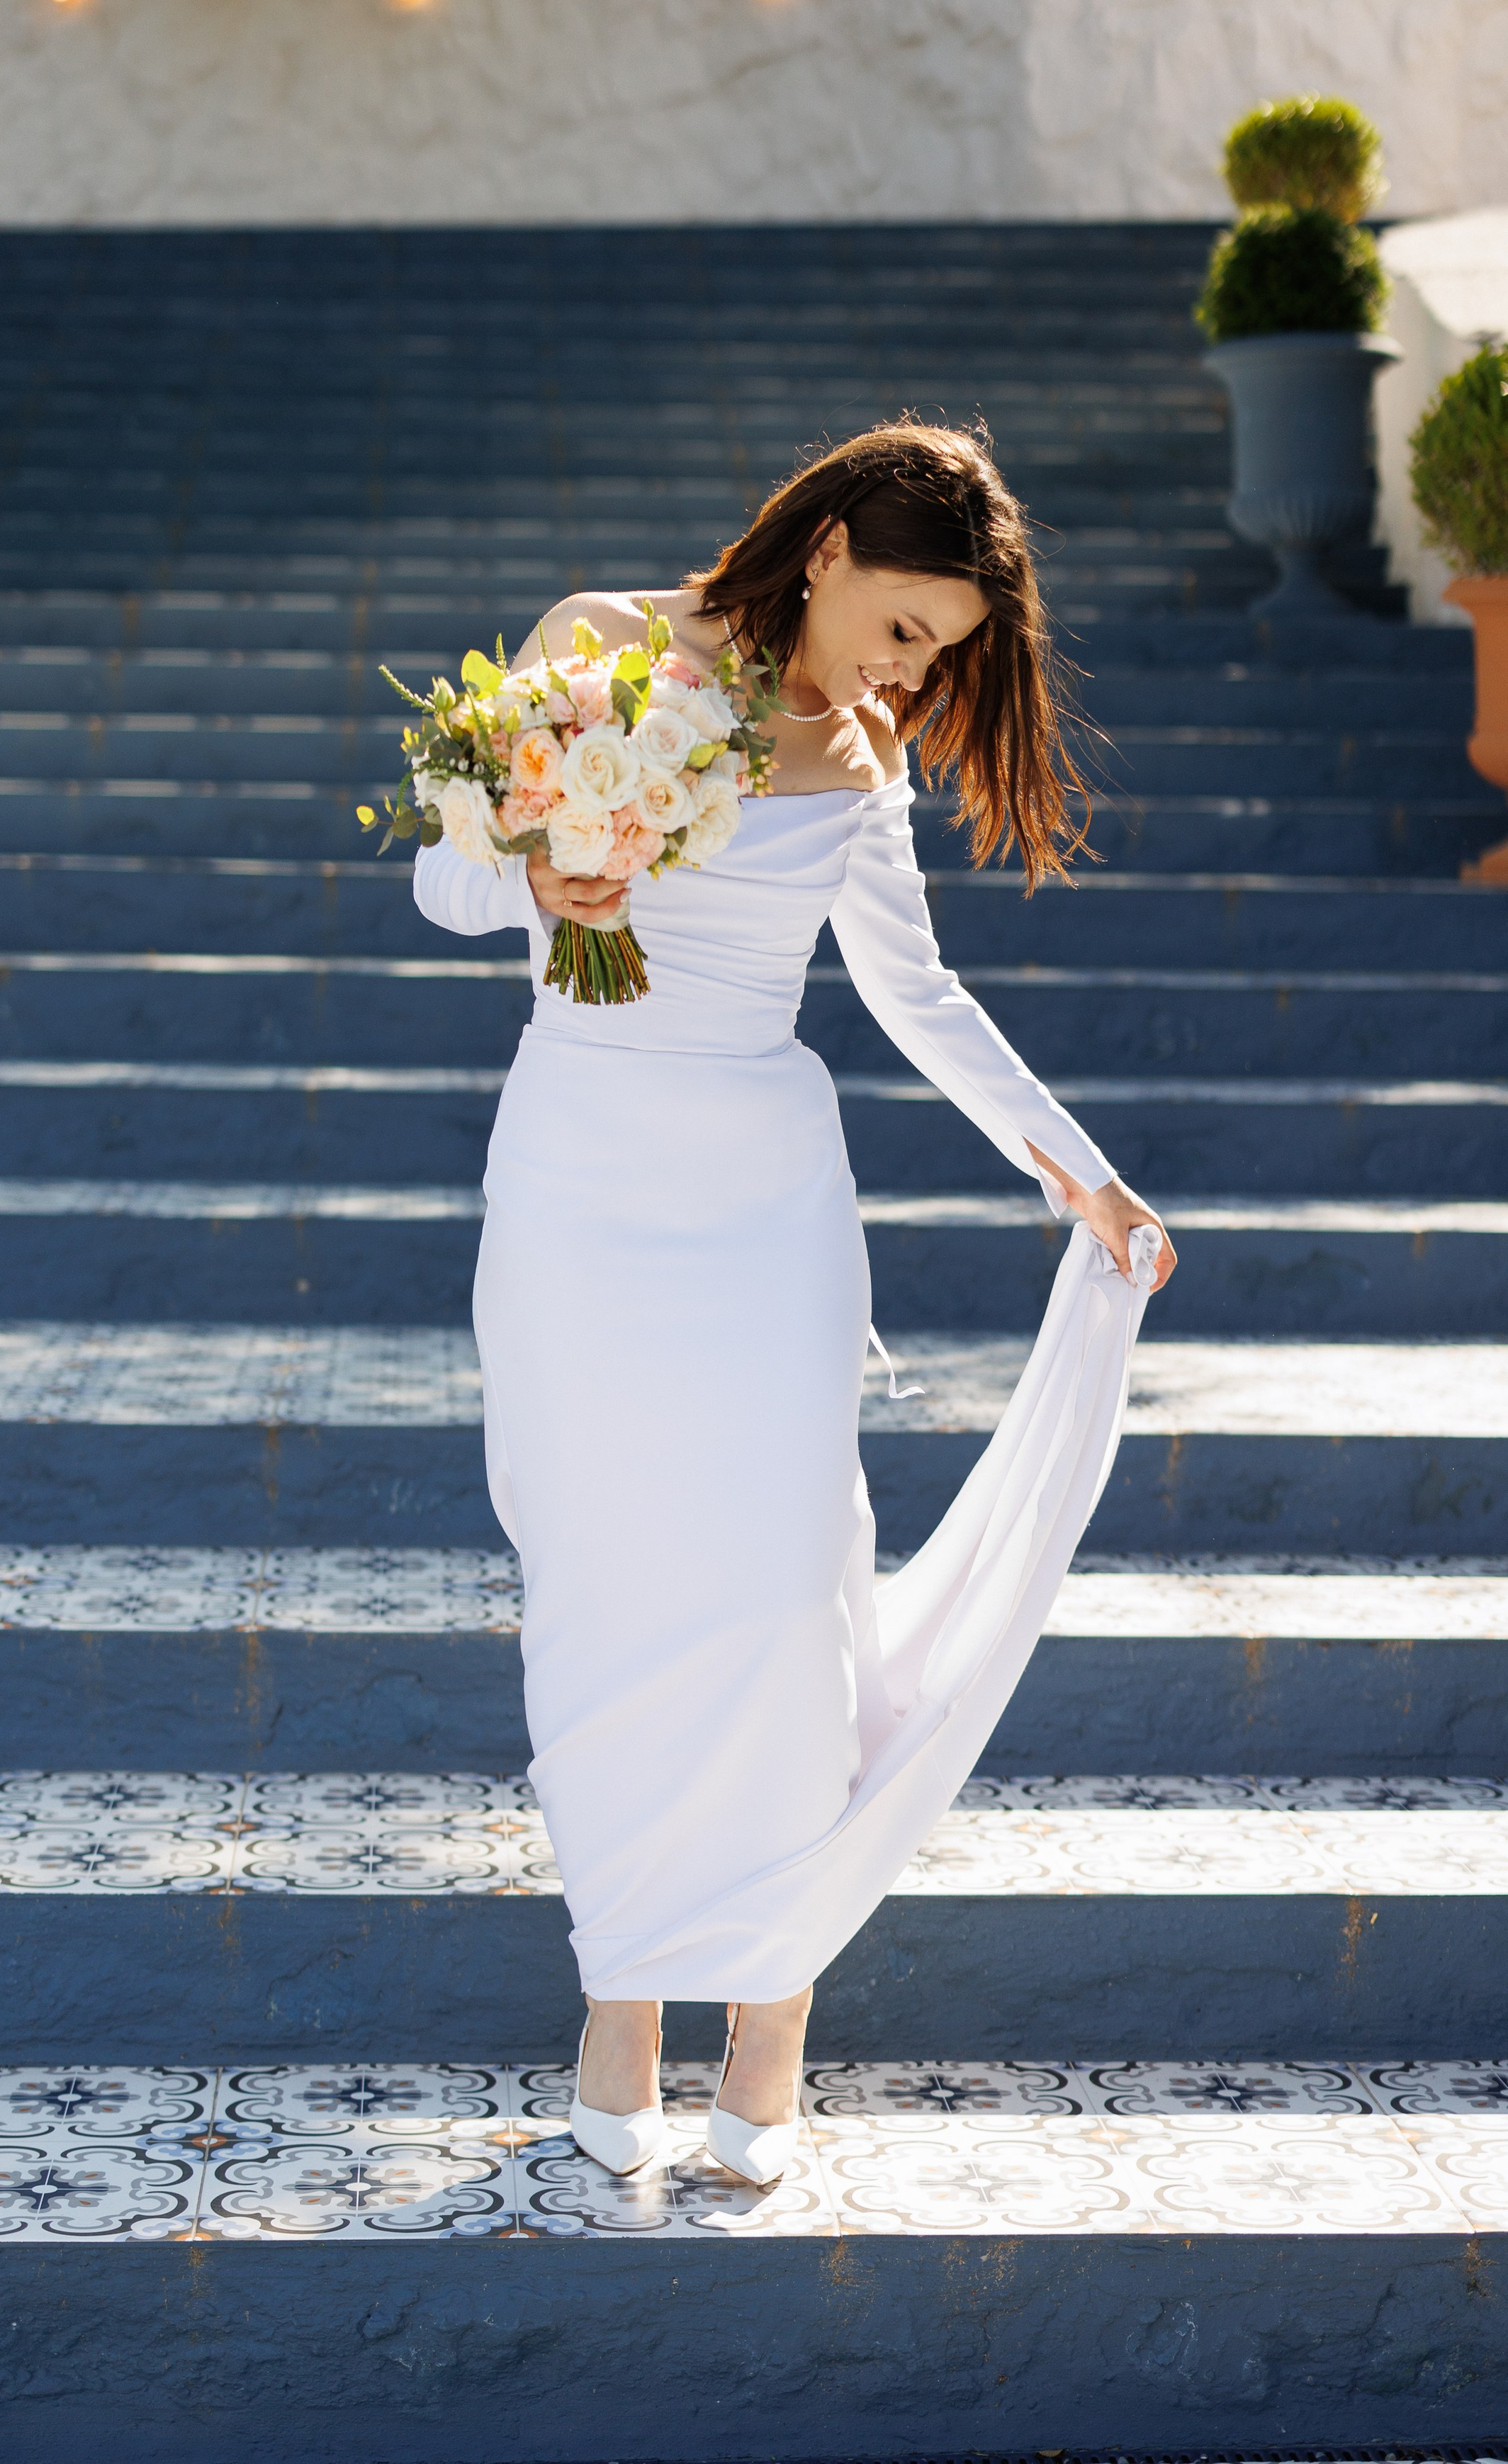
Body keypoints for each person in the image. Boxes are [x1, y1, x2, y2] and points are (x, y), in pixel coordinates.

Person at [412, 420, 1177, 2188]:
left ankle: (767, 2015)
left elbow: (912, 995)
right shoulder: (589, 641)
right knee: (602, 1585)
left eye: (941, 655)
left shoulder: (860, 753)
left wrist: (1077, 1169)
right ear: (826, 549)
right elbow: (442, 884)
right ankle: (622, 1998)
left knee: (779, 1583)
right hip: (580, 1170)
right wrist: (538, 868)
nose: (910, 674)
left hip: (761, 1193)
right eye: (904, 628)